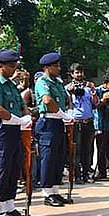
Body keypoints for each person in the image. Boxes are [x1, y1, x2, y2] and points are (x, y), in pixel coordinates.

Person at [0, 49, 32, 216]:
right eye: (11, 66)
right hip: (3, 130)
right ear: (0, 66)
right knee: (3, 170)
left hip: (15, 130)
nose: (14, 69)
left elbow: (22, 105)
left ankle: (10, 207)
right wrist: (18, 120)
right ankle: (0, 210)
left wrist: (26, 115)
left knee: (14, 170)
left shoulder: (11, 85)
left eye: (15, 66)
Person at [33, 52, 72, 206]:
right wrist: (62, 113)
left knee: (58, 157)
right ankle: (47, 193)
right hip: (48, 121)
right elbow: (47, 100)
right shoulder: (43, 82)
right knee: (48, 158)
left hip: (58, 122)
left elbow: (66, 99)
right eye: (55, 66)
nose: (59, 68)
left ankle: (55, 190)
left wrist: (67, 113)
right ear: (47, 67)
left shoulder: (57, 82)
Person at [66, 63, 98, 183]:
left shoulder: (88, 87)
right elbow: (66, 104)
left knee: (87, 149)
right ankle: (77, 175)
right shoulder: (67, 88)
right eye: (76, 72)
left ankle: (86, 174)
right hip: (76, 122)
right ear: (72, 74)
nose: (79, 75)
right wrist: (70, 92)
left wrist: (93, 90)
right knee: (76, 150)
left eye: (81, 72)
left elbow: (95, 103)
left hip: (88, 122)